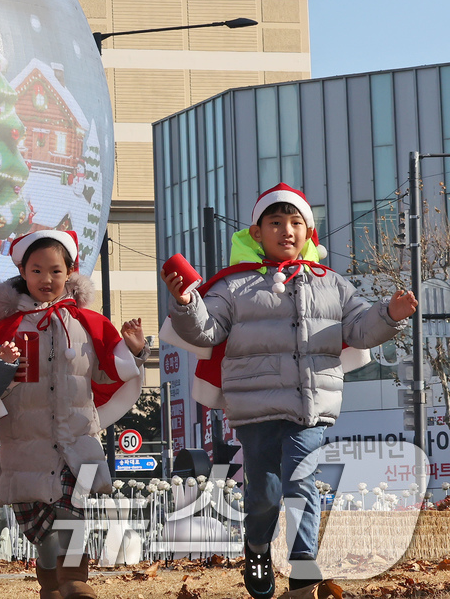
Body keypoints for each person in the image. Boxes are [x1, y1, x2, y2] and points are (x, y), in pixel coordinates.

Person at [163, 184, 417, 599]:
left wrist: (390, 314)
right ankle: (257, 546)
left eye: (296, 222)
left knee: (301, 482)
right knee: (264, 493)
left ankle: (302, 566)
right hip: (255, 409)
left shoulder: (332, 284)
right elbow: (207, 331)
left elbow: (358, 329)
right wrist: (186, 302)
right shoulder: (234, 286)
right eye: (276, 222)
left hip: (310, 408)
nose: (286, 230)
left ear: (308, 231)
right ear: (256, 232)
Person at [0, 230, 146, 599]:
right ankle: (51, 584)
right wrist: (2, 365)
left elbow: (106, 375)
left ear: (70, 272)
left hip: (76, 440)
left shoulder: (88, 323)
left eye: (55, 270)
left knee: (72, 514)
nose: (46, 279)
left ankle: (75, 581)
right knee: (42, 533)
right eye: (36, 270)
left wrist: (134, 352)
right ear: (22, 272)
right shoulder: (7, 329)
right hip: (24, 445)